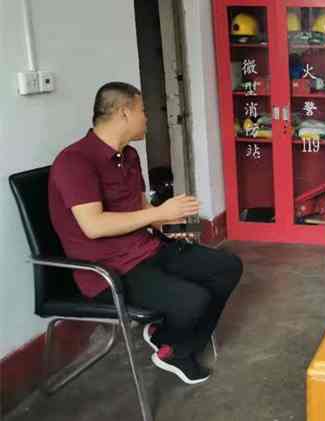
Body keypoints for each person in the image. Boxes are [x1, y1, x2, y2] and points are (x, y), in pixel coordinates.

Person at [48, 82, 242, 384]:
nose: (147, 117)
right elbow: (94, 226)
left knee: (227, 266)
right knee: (194, 299)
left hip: (147, 250)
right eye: (142, 110)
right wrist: (159, 213)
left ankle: (172, 343)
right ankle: (174, 346)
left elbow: (141, 207)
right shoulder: (75, 161)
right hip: (109, 271)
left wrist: (170, 225)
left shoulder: (129, 155)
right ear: (124, 113)